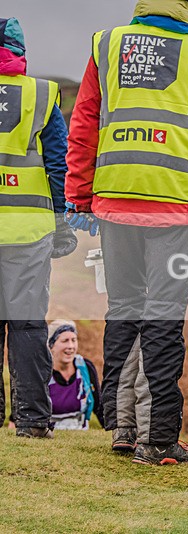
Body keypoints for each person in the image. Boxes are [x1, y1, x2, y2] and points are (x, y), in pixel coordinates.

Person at [65, 0, 188, 465]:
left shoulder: (107, 45)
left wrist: (79, 197)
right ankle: (159, 437)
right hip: (175, 209)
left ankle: (122, 428)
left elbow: (83, 125)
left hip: (115, 201)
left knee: (123, 309)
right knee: (163, 316)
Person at [0, 17, 76, 438]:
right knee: (27, 325)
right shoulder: (41, 94)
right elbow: (56, 163)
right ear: (20, 53)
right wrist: (61, 221)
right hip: (29, 230)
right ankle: (31, 422)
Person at [47, 320, 105, 430]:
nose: (71, 346)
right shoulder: (42, 372)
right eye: (65, 341)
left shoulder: (85, 368)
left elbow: (99, 406)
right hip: (49, 436)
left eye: (74, 340)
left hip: (81, 432)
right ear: (51, 345)